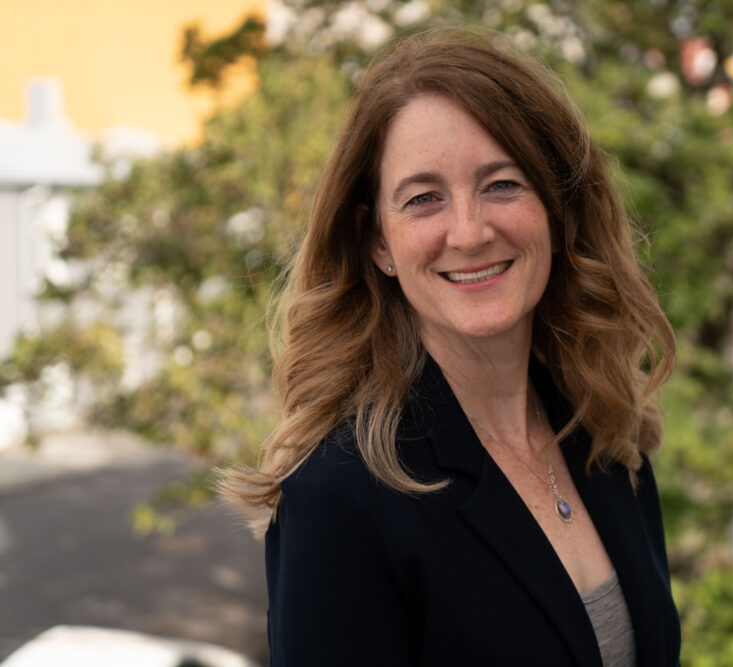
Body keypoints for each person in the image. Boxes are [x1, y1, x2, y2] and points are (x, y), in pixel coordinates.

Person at [221, 27, 681, 667]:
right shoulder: (341, 495)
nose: (468, 232)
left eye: (502, 185)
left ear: (557, 209)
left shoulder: (605, 436)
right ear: (378, 242)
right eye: (423, 199)